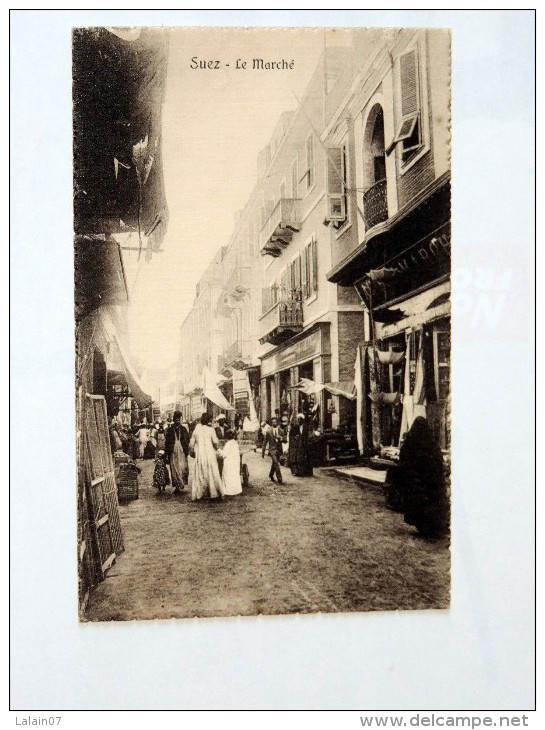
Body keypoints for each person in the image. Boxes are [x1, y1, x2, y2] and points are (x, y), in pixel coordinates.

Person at [397, 416, 449, 538]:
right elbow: (438, 460)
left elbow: (404, 460)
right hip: (430, 481)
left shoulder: (410, 441)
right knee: (431, 503)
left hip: (417, 481)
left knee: (419, 503)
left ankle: (424, 525)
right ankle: (432, 526)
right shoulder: (431, 442)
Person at [189, 412, 225, 501]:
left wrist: (192, 452)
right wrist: (219, 449)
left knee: (200, 473)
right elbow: (216, 442)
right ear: (209, 420)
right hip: (210, 453)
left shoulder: (196, 431)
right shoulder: (211, 430)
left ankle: (199, 493)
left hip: (200, 454)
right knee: (212, 472)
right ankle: (214, 492)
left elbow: (191, 445)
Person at [165, 410, 190, 494]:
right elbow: (167, 442)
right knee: (174, 467)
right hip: (173, 452)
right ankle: (177, 486)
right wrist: (167, 454)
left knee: (182, 467)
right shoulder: (169, 430)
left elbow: (187, 440)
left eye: (179, 419)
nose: (177, 421)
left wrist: (186, 451)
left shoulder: (183, 429)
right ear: (174, 419)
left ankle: (181, 483)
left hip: (182, 451)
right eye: (176, 419)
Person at [261, 416, 285, 484]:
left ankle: (271, 475)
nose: (273, 423)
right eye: (272, 422)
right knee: (276, 463)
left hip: (279, 450)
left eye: (275, 422)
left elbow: (285, 440)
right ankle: (279, 478)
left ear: (277, 423)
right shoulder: (268, 431)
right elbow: (265, 442)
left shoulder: (281, 431)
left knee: (274, 464)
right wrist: (263, 452)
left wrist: (281, 438)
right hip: (272, 450)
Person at [221, 430, 243, 496]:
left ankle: (229, 491)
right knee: (234, 476)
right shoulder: (235, 443)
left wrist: (218, 450)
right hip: (235, 463)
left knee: (228, 476)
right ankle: (236, 490)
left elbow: (224, 454)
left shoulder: (228, 444)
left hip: (229, 464)